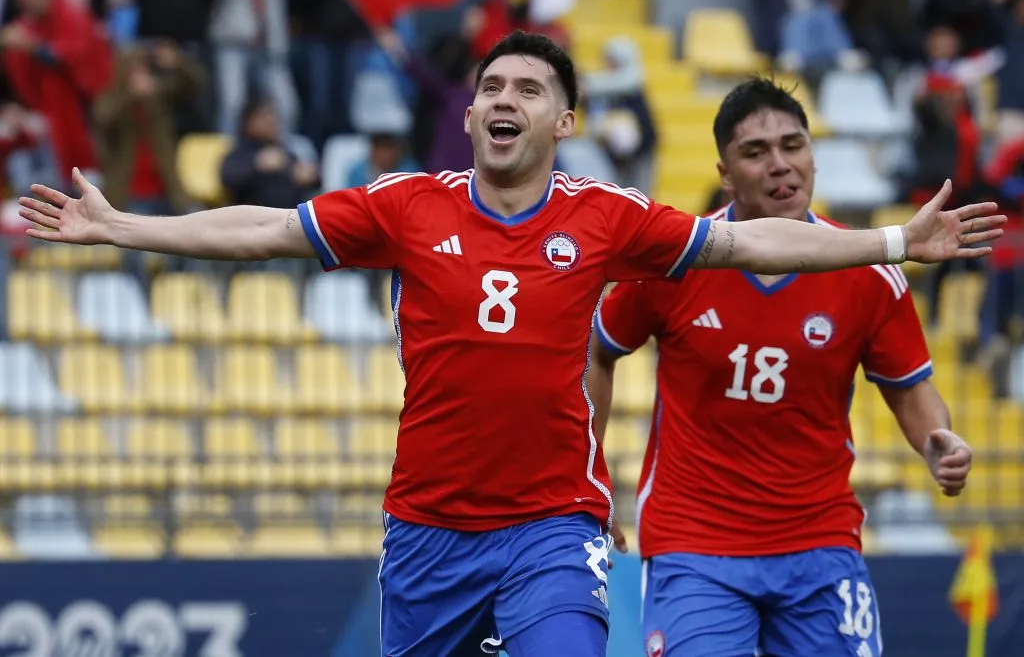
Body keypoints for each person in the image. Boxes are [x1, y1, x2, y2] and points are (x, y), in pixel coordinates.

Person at [18, 32, 1002, 657]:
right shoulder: (407, 206)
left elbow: (744, 239)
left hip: (553, 526)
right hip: (427, 526)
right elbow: (267, 228)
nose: (504, 95)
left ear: (562, 119)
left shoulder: (611, 218)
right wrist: (126, 226)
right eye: (493, 82)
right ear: (474, 108)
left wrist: (888, 242)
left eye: (529, 86)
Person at [587, 78, 976, 657]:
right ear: (724, 172)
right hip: (695, 542)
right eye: (755, 152)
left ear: (814, 155)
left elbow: (912, 391)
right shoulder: (676, 259)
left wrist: (936, 441)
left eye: (793, 146)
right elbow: (597, 349)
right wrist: (588, 473)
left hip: (819, 540)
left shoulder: (870, 271)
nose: (780, 165)